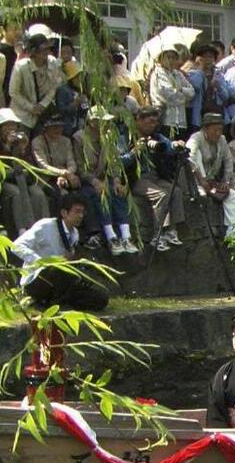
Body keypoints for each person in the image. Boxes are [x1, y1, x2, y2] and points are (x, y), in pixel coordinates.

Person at [12, 193, 109, 310]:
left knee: (101, 298)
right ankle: (46, 301)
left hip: (61, 282)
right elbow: (17, 246)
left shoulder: (75, 234)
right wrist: (42, 262)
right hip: (37, 280)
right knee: (60, 269)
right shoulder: (46, 225)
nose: (81, 216)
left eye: (82, 212)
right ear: (64, 212)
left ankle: (59, 303)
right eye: (77, 211)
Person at [73, 106, 138, 255]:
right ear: (92, 122)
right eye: (102, 121)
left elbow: (113, 162)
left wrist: (116, 180)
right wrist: (94, 181)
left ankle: (126, 236)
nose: (107, 124)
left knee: (118, 191)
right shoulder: (79, 138)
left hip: (105, 177)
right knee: (100, 195)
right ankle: (111, 237)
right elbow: (80, 167)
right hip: (87, 181)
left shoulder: (108, 137)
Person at [122, 106, 186, 251]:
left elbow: (167, 147)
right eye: (150, 122)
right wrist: (134, 152)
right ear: (138, 120)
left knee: (175, 191)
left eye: (155, 122)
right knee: (161, 195)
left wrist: (176, 145)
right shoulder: (126, 136)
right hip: (136, 178)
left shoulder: (157, 136)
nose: (153, 125)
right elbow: (120, 161)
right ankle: (158, 235)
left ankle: (171, 231)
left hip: (156, 176)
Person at [186, 112, 235, 238]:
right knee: (195, 155)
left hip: (212, 180)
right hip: (195, 180)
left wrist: (226, 182)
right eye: (214, 130)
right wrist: (201, 180)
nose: (218, 133)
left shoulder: (222, 139)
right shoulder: (196, 138)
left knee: (233, 195)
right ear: (205, 128)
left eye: (220, 130)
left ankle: (232, 230)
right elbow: (190, 159)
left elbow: (228, 161)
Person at [0, 108, 49, 236]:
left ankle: (44, 226)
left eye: (13, 125)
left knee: (38, 193)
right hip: (5, 179)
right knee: (15, 192)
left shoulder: (20, 141)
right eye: (7, 125)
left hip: (21, 178)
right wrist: (7, 147)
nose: (11, 128)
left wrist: (22, 149)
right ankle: (23, 228)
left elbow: (29, 166)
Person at [8, 33, 62, 132]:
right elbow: (13, 92)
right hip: (21, 115)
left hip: (42, 114)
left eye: (47, 49)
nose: (46, 52)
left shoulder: (53, 63)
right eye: (43, 49)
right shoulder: (21, 67)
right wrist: (30, 108)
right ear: (34, 51)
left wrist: (43, 105)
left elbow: (55, 85)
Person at [149, 45, 195, 139]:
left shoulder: (178, 74)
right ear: (161, 59)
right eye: (168, 57)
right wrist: (183, 98)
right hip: (165, 119)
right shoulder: (158, 73)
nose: (171, 61)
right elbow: (168, 95)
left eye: (173, 58)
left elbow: (192, 92)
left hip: (181, 121)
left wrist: (181, 90)